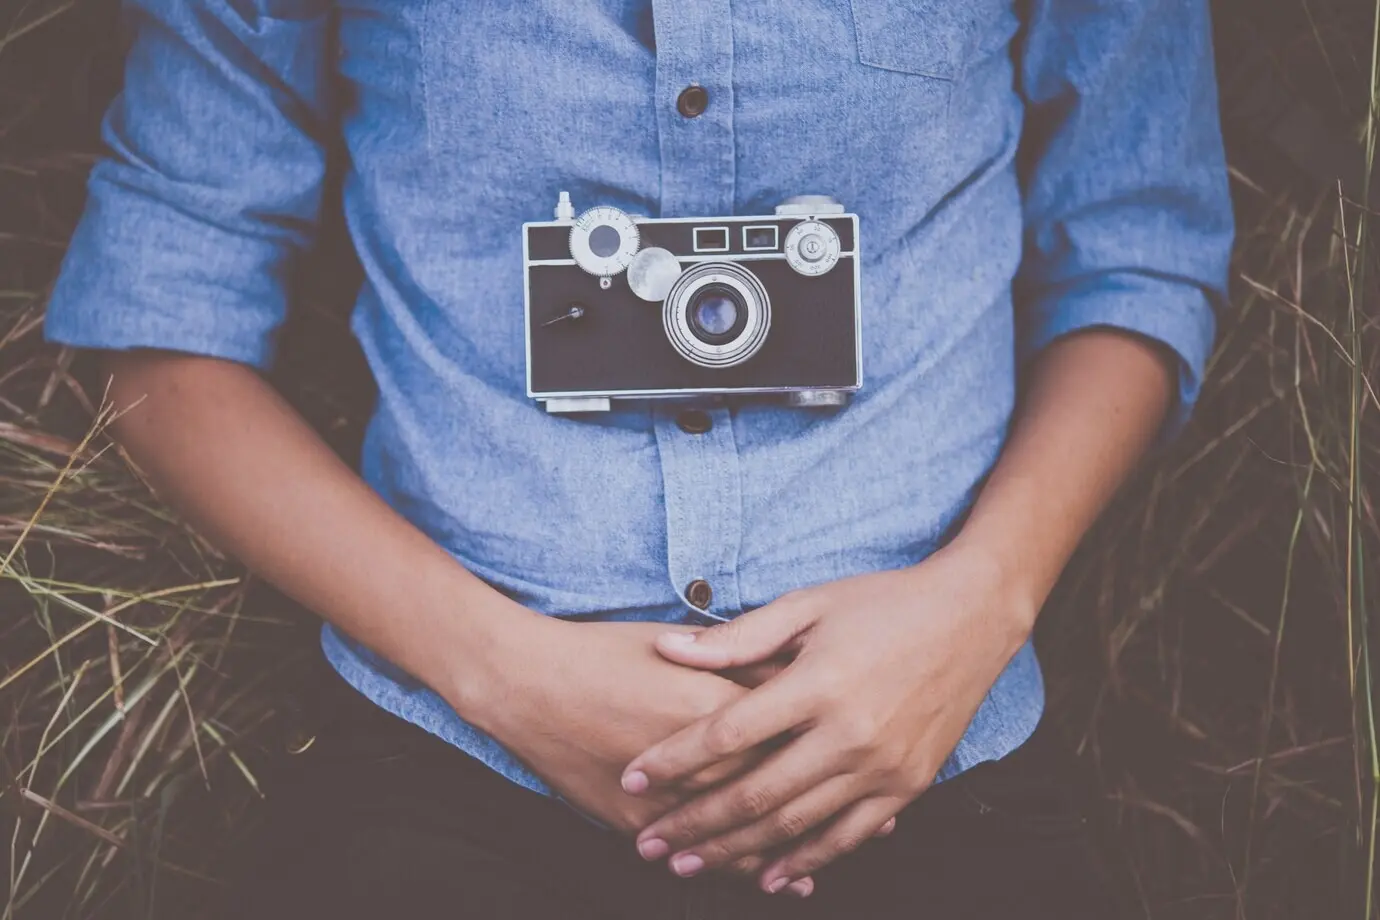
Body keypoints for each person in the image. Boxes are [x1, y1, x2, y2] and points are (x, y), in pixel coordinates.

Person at [44, 1, 1233, 917]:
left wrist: (982, 602)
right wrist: (499, 670)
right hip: (456, 744)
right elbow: (161, 322)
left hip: (928, 737)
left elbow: (1138, 250)